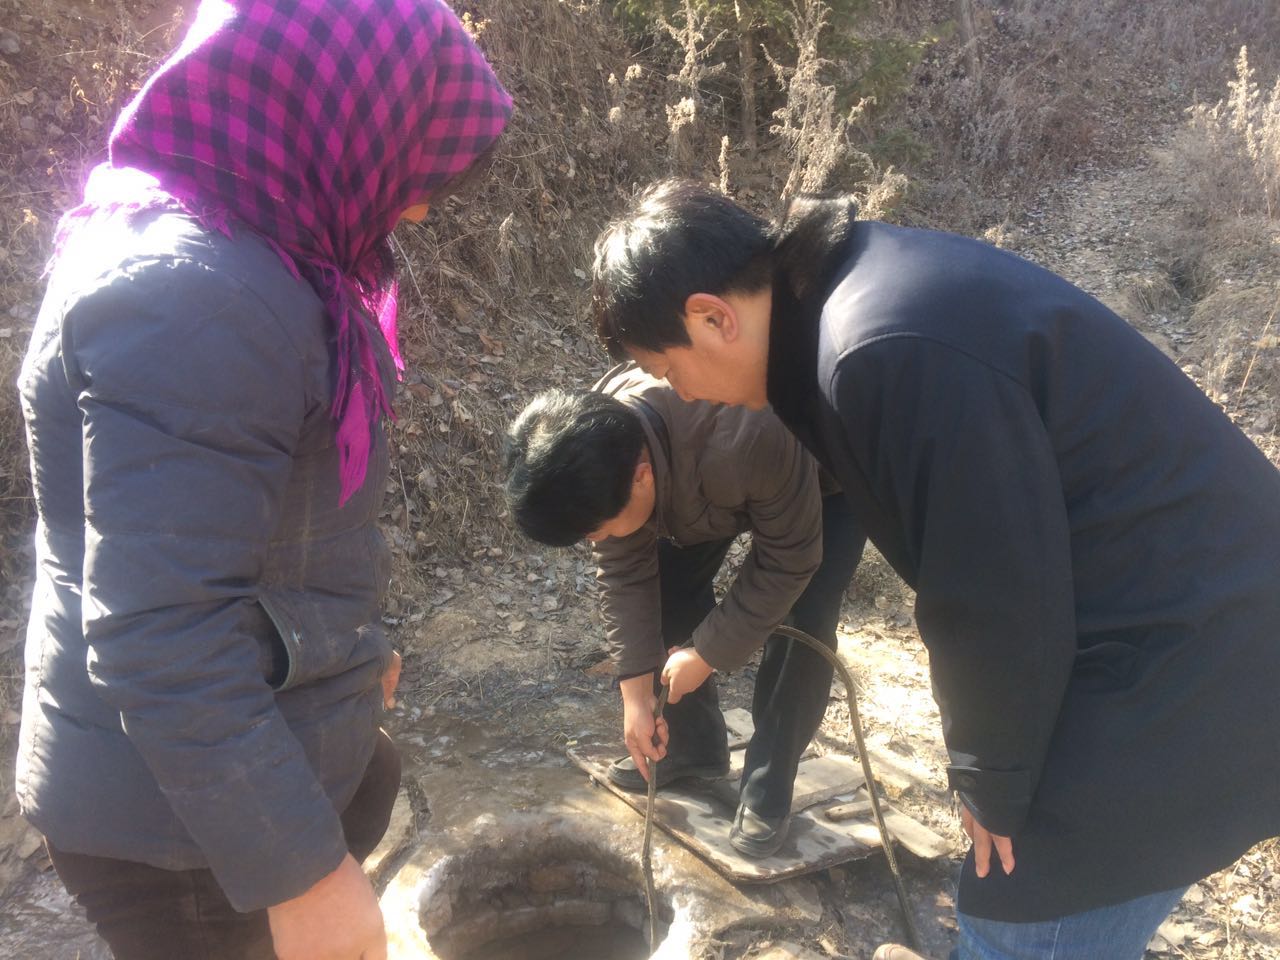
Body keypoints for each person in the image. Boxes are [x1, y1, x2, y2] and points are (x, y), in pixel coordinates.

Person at [588, 180, 1280, 959]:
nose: (677, 391)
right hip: (1167, 615)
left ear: (713, 318)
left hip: (1202, 646)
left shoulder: (874, 350)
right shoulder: (856, 301)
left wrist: (989, 775)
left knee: (1018, 920)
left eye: (666, 367)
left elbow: (990, 584)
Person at [15, 2, 510, 958]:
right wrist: (303, 873)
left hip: (214, 784)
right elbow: (165, 634)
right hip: (185, 837)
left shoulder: (240, 251)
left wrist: (348, 653)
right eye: (416, 175)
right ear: (336, 120)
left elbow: (255, 531)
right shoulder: (193, 298)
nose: (417, 209)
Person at [503, 363, 865, 857]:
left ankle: (769, 783)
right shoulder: (598, 441)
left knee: (806, 618)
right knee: (666, 581)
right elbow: (625, 573)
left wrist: (706, 654)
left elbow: (790, 559)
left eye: (595, 531)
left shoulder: (745, 435)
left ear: (641, 477)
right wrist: (636, 697)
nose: (596, 542)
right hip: (702, 476)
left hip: (825, 473)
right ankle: (692, 746)